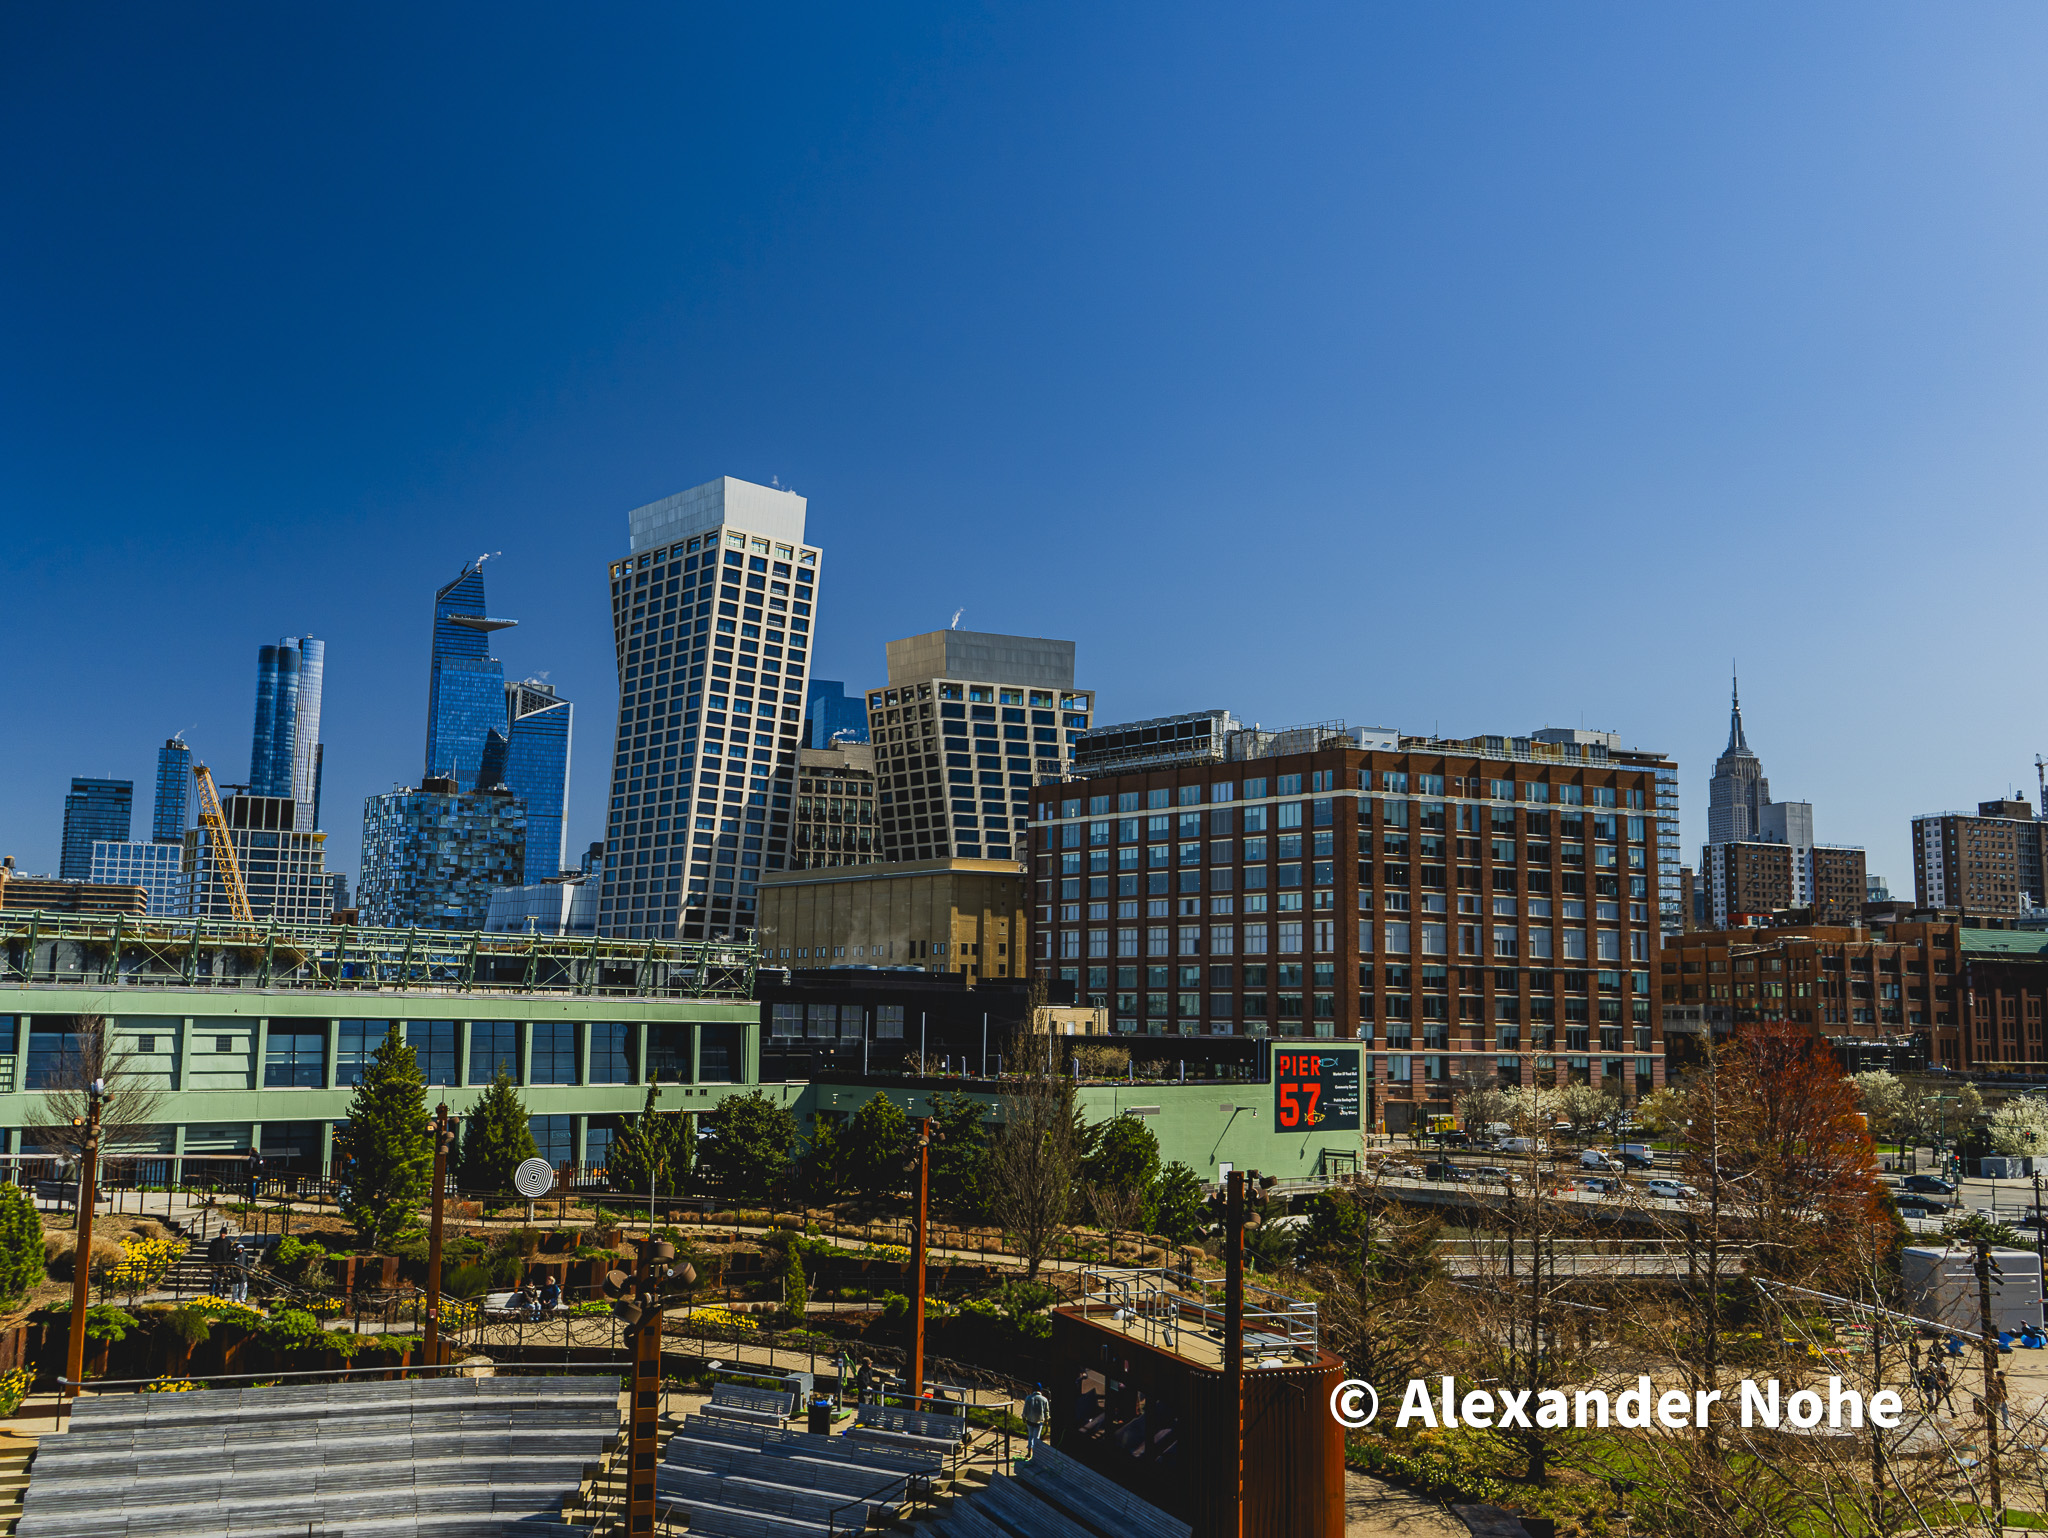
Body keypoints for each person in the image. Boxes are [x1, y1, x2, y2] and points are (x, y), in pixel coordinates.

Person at [206, 1231, 237, 1297]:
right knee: (214, 1278)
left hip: (223, 1264)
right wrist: (211, 1260)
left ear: (226, 1234)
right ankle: (211, 1292)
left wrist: (227, 1260)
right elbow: (210, 1251)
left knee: (219, 1279)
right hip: (215, 1263)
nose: (222, 1235)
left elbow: (230, 1252)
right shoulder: (214, 1241)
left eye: (224, 1233)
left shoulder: (228, 1242)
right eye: (221, 1233)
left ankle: (217, 1292)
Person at [1023, 1383, 1050, 1457]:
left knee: (1030, 1436)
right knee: (1036, 1437)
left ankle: (1029, 1451)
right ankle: (1035, 1453)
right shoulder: (1044, 1399)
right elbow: (1046, 1411)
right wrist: (1047, 1419)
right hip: (1039, 1421)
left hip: (1030, 1420)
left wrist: (1024, 1417)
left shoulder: (1029, 1398)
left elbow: (1025, 1409)